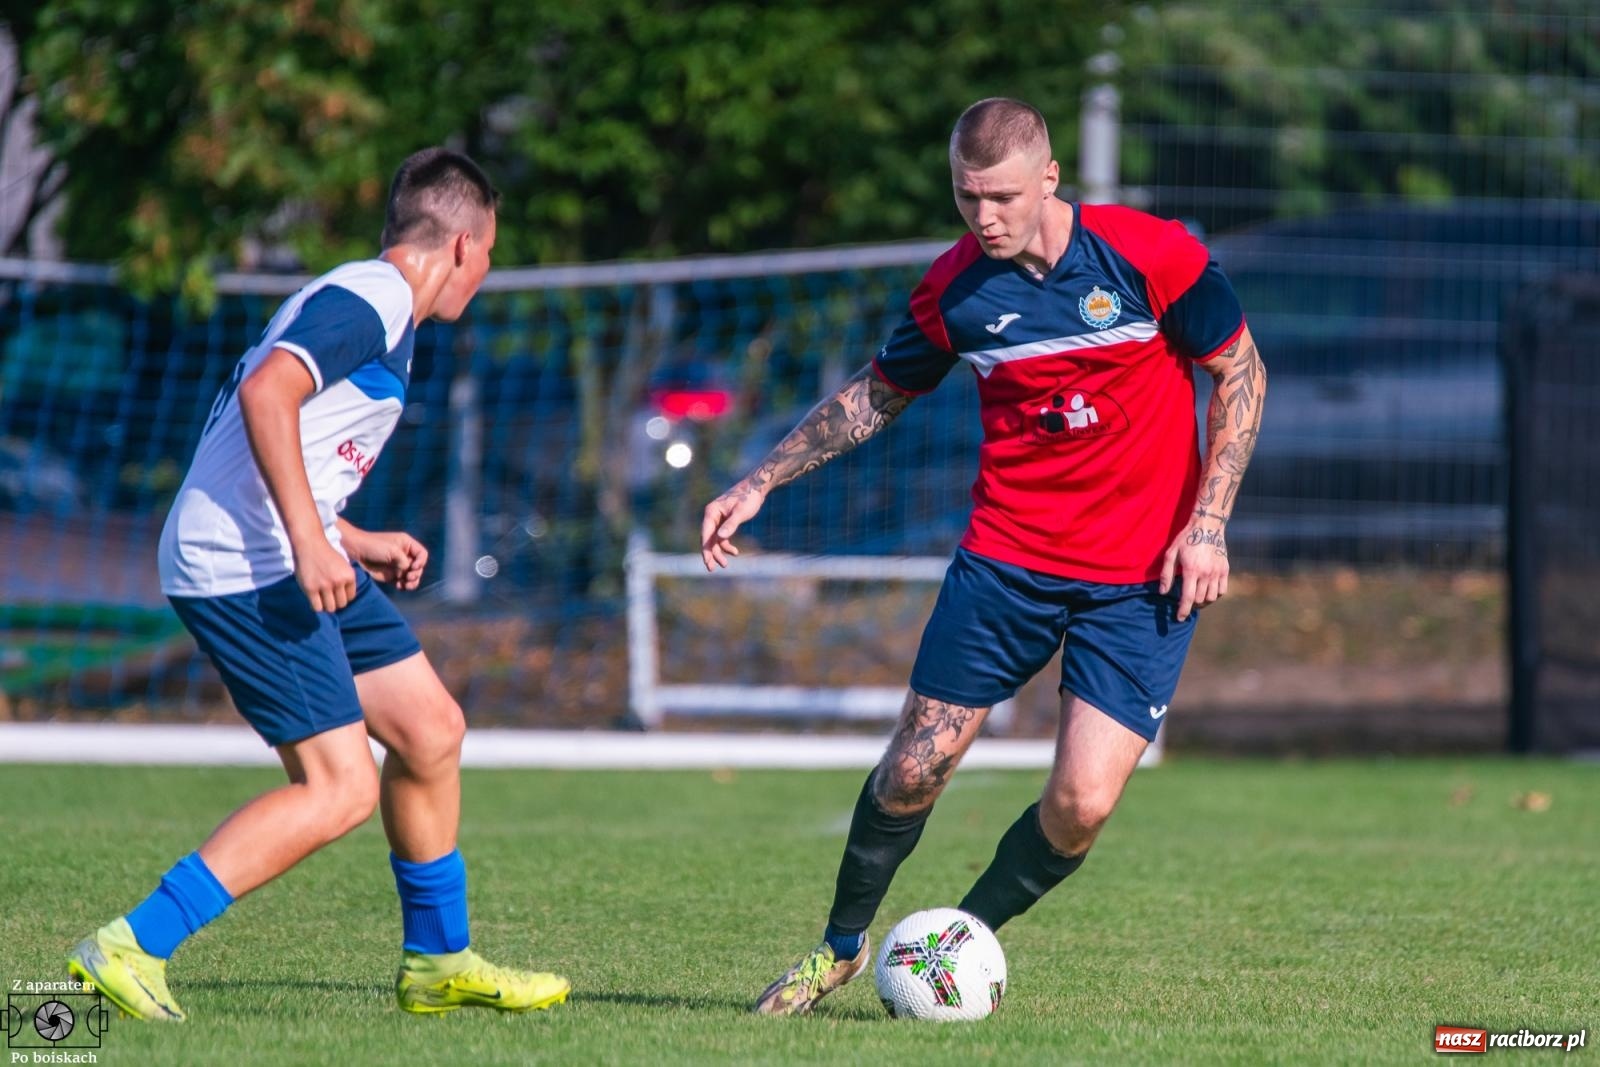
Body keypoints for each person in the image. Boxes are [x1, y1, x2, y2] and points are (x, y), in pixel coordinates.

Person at [701, 98, 1267, 1016]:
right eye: (968, 197)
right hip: (1007, 563)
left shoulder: (1148, 254)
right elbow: (877, 394)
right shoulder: (955, 290)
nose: (985, 216)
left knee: (1082, 805)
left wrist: (1208, 522)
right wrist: (760, 480)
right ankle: (838, 948)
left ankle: (950, 944)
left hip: (1140, 580)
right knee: (911, 769)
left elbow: (1240, 370)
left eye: (1002, 196)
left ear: (1050, 178)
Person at [67, 148, 570, 1021]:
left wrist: (352, 539)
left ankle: (438, 961)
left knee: (430, 730)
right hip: (245, 564)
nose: (485, 273)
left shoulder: (371, 303)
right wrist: (311, 542)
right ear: (462, 245)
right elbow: (267, 394)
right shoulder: (375, 298)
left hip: (284, 548)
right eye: (489, 254)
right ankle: (129, 944)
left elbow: (282, 443)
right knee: (339, 788)